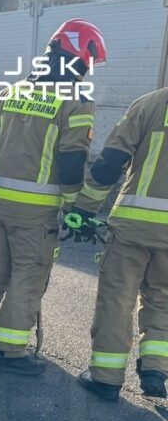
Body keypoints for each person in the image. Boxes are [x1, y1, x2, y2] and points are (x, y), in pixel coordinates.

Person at [0, 20, 107, 375]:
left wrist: (8, 164)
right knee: (27, 278)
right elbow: (72, 160)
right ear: (80, 58)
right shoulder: (76, 101)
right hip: (35, 215)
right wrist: (73, 207)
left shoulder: (12, 91)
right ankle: (9, 353)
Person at [66, 86, 168, 402]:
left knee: (117, 298)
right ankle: (155, 369)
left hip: (134, 226)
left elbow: (111, 161)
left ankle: (106, 377)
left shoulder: (150, 104)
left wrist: (85, 208)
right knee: (163, 299)